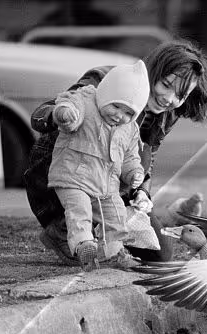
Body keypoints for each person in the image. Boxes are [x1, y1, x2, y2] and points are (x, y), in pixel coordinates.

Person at [24, 39, 207, 266]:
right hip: (67, 167)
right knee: (90, 244)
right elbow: (40, 114)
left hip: (110, 177)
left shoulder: (168, 111)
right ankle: (61, 228)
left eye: (180, 95)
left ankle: (102, 231)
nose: (169, 99)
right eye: (165, 84)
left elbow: (147, 155)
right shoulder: (108, 80)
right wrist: (61, 116)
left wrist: (142, 191)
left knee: (160, 254)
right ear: (153, 69)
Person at [48, 60, 149, 271]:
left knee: (116, 215)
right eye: (116, 106)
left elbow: (130, 156)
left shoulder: (129, 129)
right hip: (73, 176)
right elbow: (68, 106)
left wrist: (134, 173)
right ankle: (85, 245)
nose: (120, 115)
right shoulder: (85, 101)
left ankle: (113, 252)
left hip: (105, 184)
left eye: (129, 113)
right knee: (79, 210)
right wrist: (65, 114)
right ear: (105, 94)